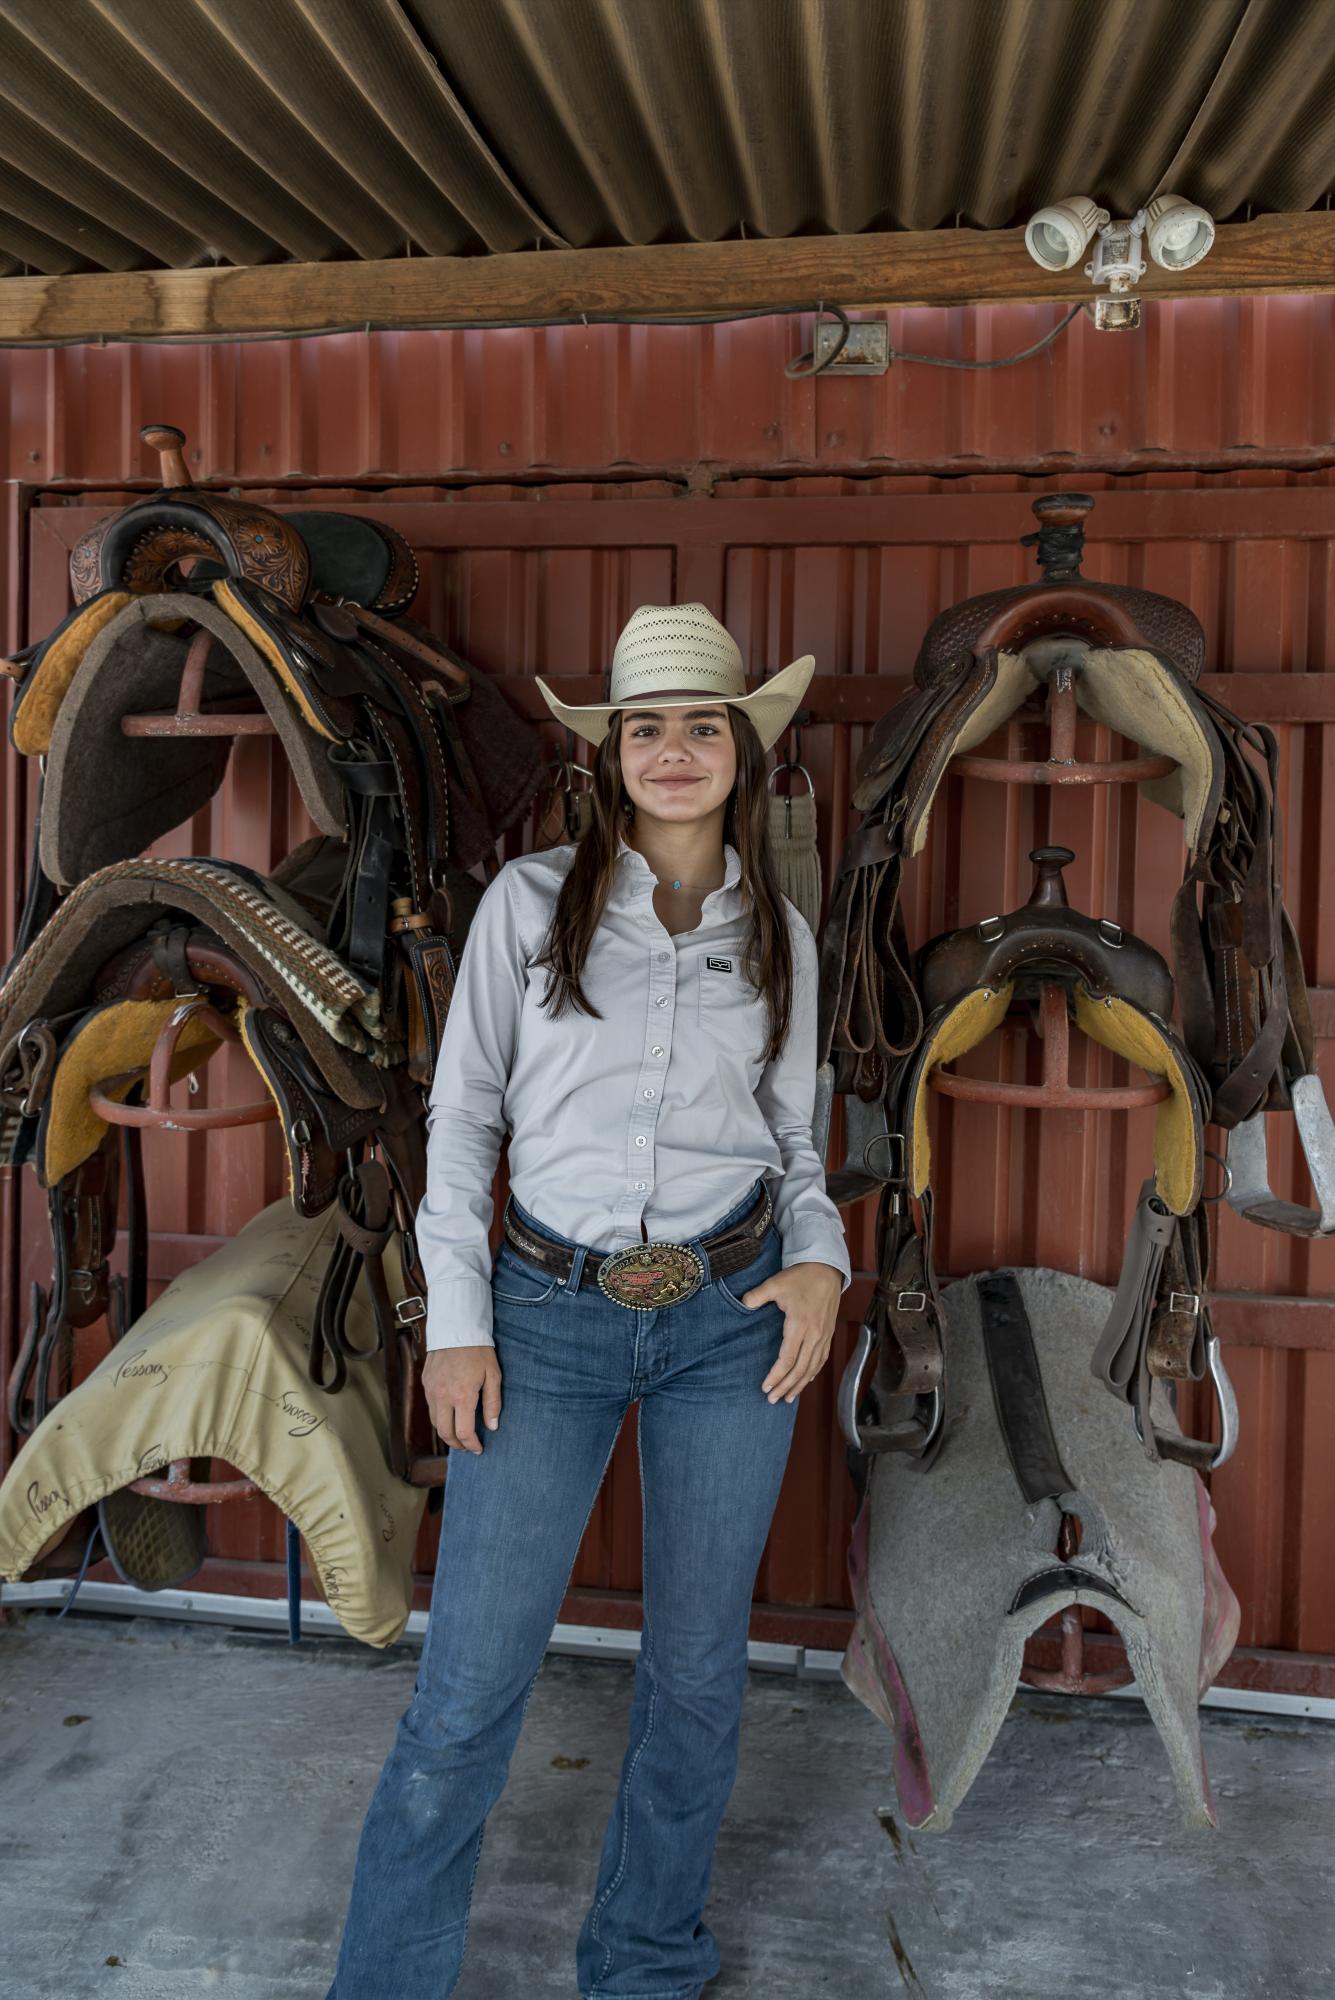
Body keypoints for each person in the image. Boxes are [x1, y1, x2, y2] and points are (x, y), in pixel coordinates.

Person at [327, 602, 852, 2000]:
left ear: (742, 745)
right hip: (545, 1317)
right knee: (469, 1693)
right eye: (645, 727)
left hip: (732, 1317)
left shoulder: (784, 936)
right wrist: (458, 1321)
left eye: (700, 724)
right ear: (609, 752)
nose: (673, 751)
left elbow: (799, 1143)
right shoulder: (526, 906)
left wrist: (824, 1259)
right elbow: (463, 1119)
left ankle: (647, 1962)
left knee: (694, 1680)